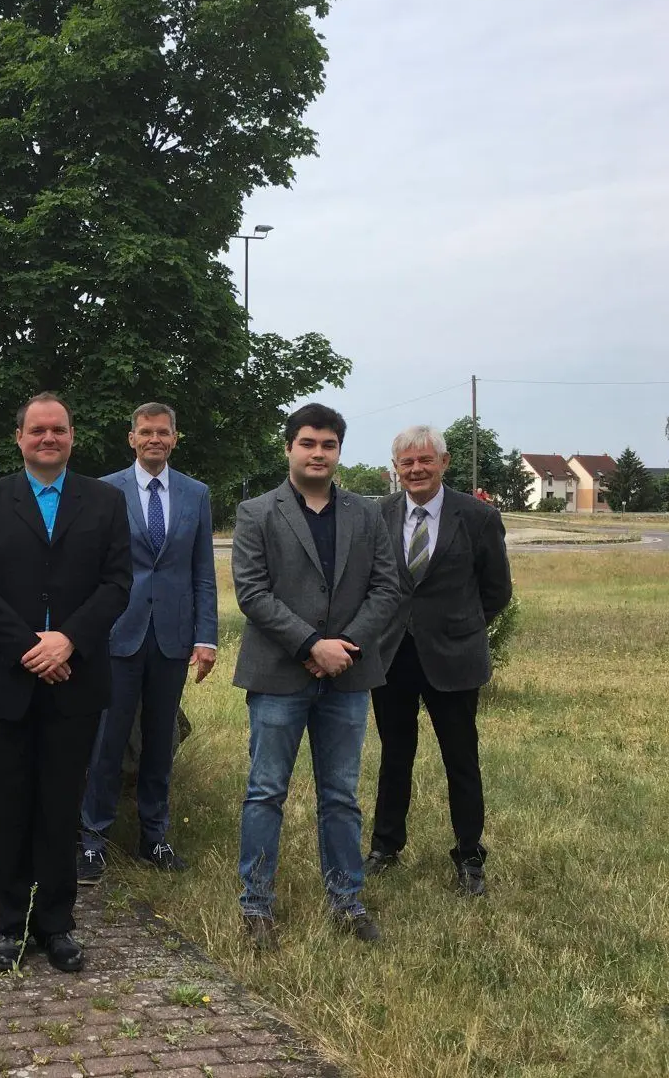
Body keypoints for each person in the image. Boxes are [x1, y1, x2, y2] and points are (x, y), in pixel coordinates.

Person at [0, 393, 132, 973]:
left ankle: (56, 924)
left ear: (71, 436)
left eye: (58, 429)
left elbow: (116, 584)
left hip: (75, 680)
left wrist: (69, 641)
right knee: (8, 806)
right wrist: (32, 646)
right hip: (7, 679)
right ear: (20, 437)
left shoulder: (105, 502)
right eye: (37, 430)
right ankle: (9, 925)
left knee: (60, 807)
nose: (47, 438)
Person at [231, 402, 401, 952]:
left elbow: (387, 589)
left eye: (328, 445)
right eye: (308, 443)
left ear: (339, 452)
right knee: (265, 792)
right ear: (289, 448)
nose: (318, 453)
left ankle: (347, 901)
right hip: (279, 675)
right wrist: (310, 644)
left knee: (341, 795)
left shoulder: (366, 514)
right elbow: (253, 593)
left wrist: (342, 649)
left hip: (347, 678)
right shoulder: (257, 512)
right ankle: (256, 906)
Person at [364, 425, 512, 896]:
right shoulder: (378, 516)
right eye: (406, 462)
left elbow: (496, 591)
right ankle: (386, 847)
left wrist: (459, 626)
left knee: (461, 759)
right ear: (395, 469)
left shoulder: (478, 517)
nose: (416, 469)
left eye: (425, 460)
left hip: (454, 658)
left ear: (444, 463)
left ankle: (469, 855)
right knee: (394, 756)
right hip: (392, 658)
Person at [78, 402, 218, 885]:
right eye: (145, 432)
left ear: (175, 438)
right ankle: (91, 838)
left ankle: (154, 837)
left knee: (160, 742)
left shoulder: (195, 494)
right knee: (107, 741)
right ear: (131, 438)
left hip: (173, 638)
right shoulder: (104, 490)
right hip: (117, 635)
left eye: (163, 432)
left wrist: (207, 638)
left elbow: (203, 572)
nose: (154, 439)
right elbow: (91, 570)